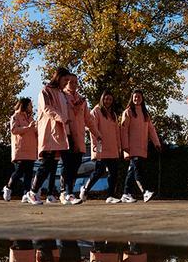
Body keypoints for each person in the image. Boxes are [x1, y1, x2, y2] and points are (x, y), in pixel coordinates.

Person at [27, 68, 72, 205]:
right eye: (65, 80)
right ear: (58, 77)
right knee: (46, 164)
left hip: (59, 134)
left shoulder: (61, 94)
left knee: (53, 165)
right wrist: (62, 118)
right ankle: (32, 192)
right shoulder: (45, 91)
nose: (66, 83)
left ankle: (50, 194)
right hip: (48, 133)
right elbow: (47, 108)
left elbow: (66, 112)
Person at [80, 90, 123, 203]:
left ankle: (110, 196)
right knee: (99, 171)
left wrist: (119, 147)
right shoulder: (96, 111)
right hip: (100, 147)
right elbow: (92, 129)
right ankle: (85, 189)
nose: (108, 101)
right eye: (106, 99)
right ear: (102, 99)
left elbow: (117, 132)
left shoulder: (113, 114)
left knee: (114, 172)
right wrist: (97, 148)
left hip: (112, 148)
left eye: (110, 99)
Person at [120, 90, 162, 203]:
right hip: (131, 147)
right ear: (132, 98)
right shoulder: (128, 112)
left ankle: (126, 193)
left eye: (139, 97)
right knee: (138, 170)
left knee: (132, 170)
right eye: (135, 97)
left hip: (142, 147)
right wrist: (125, 146)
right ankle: (145, 192)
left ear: (142, 99)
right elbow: (123, 130)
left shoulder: (145, 114)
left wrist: (156, 143)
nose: (137, 99)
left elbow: (151, 129)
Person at [60, 74, 93, 204]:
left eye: (75, 82)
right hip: (66, 135)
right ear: (66, 82)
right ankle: (66, 193)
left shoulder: (82, 100)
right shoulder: (62, 97)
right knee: (67, 165)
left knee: (75, 166)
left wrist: (96, 133)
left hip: (79, 137)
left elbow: (88, 119)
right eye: (70, 82)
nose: (73, 84)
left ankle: (69, 192)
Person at [4, 98, 38, 203]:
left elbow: (34, 132)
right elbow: (14, 130)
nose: (32, 107)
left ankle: (26, 193)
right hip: (21, 150)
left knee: (29, 173)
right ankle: (8, 187)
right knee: (19, 172)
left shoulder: (31, 118)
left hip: (31, 150)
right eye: (30, 105)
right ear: (24, 105)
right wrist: (28, 127)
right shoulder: (15, 117)